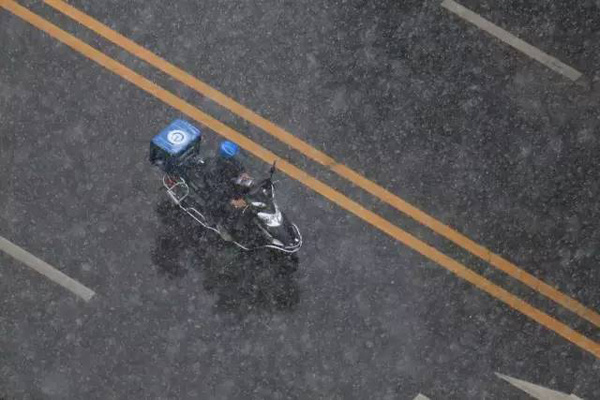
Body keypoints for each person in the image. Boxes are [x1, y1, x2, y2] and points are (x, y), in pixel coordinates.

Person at [209, 141, 254, 240]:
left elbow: (240, 168)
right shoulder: (216, 171)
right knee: (233, 211)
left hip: (232, 185)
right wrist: (233, 201)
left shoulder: (232, 160)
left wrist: (243, 174)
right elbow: (219, 191)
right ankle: (224, 228)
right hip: (220, 195)